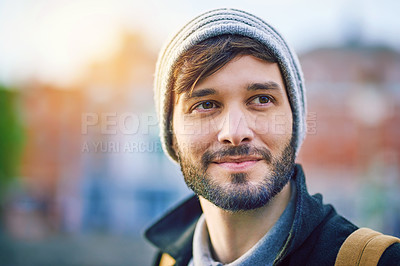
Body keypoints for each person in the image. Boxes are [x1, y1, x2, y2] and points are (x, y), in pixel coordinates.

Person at [145, 8, 400, 265]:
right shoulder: (167, 260)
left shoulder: (377, 261)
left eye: (261, 100)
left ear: (294, 122)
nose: (235, 133)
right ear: (171, 134)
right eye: (205, 105)